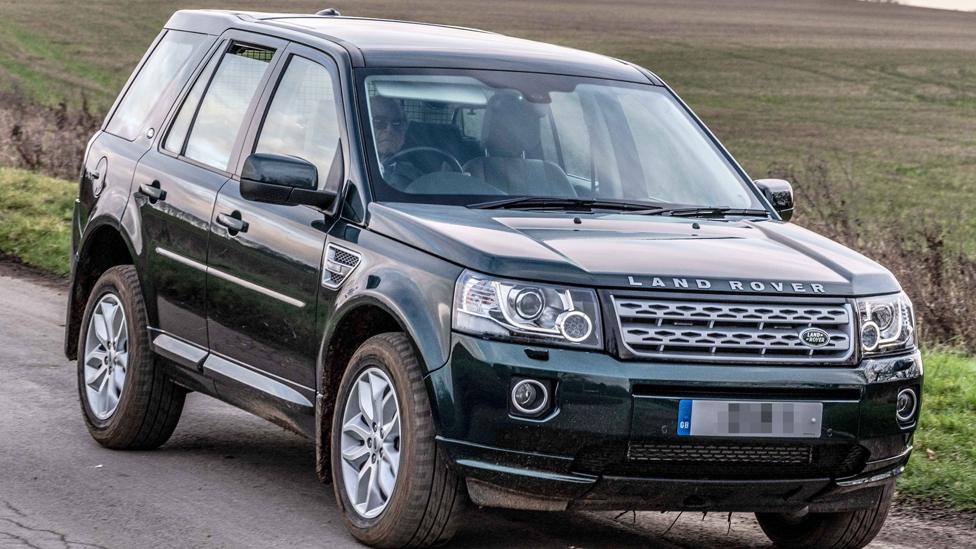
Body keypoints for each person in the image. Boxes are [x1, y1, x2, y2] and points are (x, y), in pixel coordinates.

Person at [371, 96, 421, 188]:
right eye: (379, 122)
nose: (389, 129)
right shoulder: (353, 168)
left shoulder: (415, 173)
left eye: (397, 123)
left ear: (405, 130)